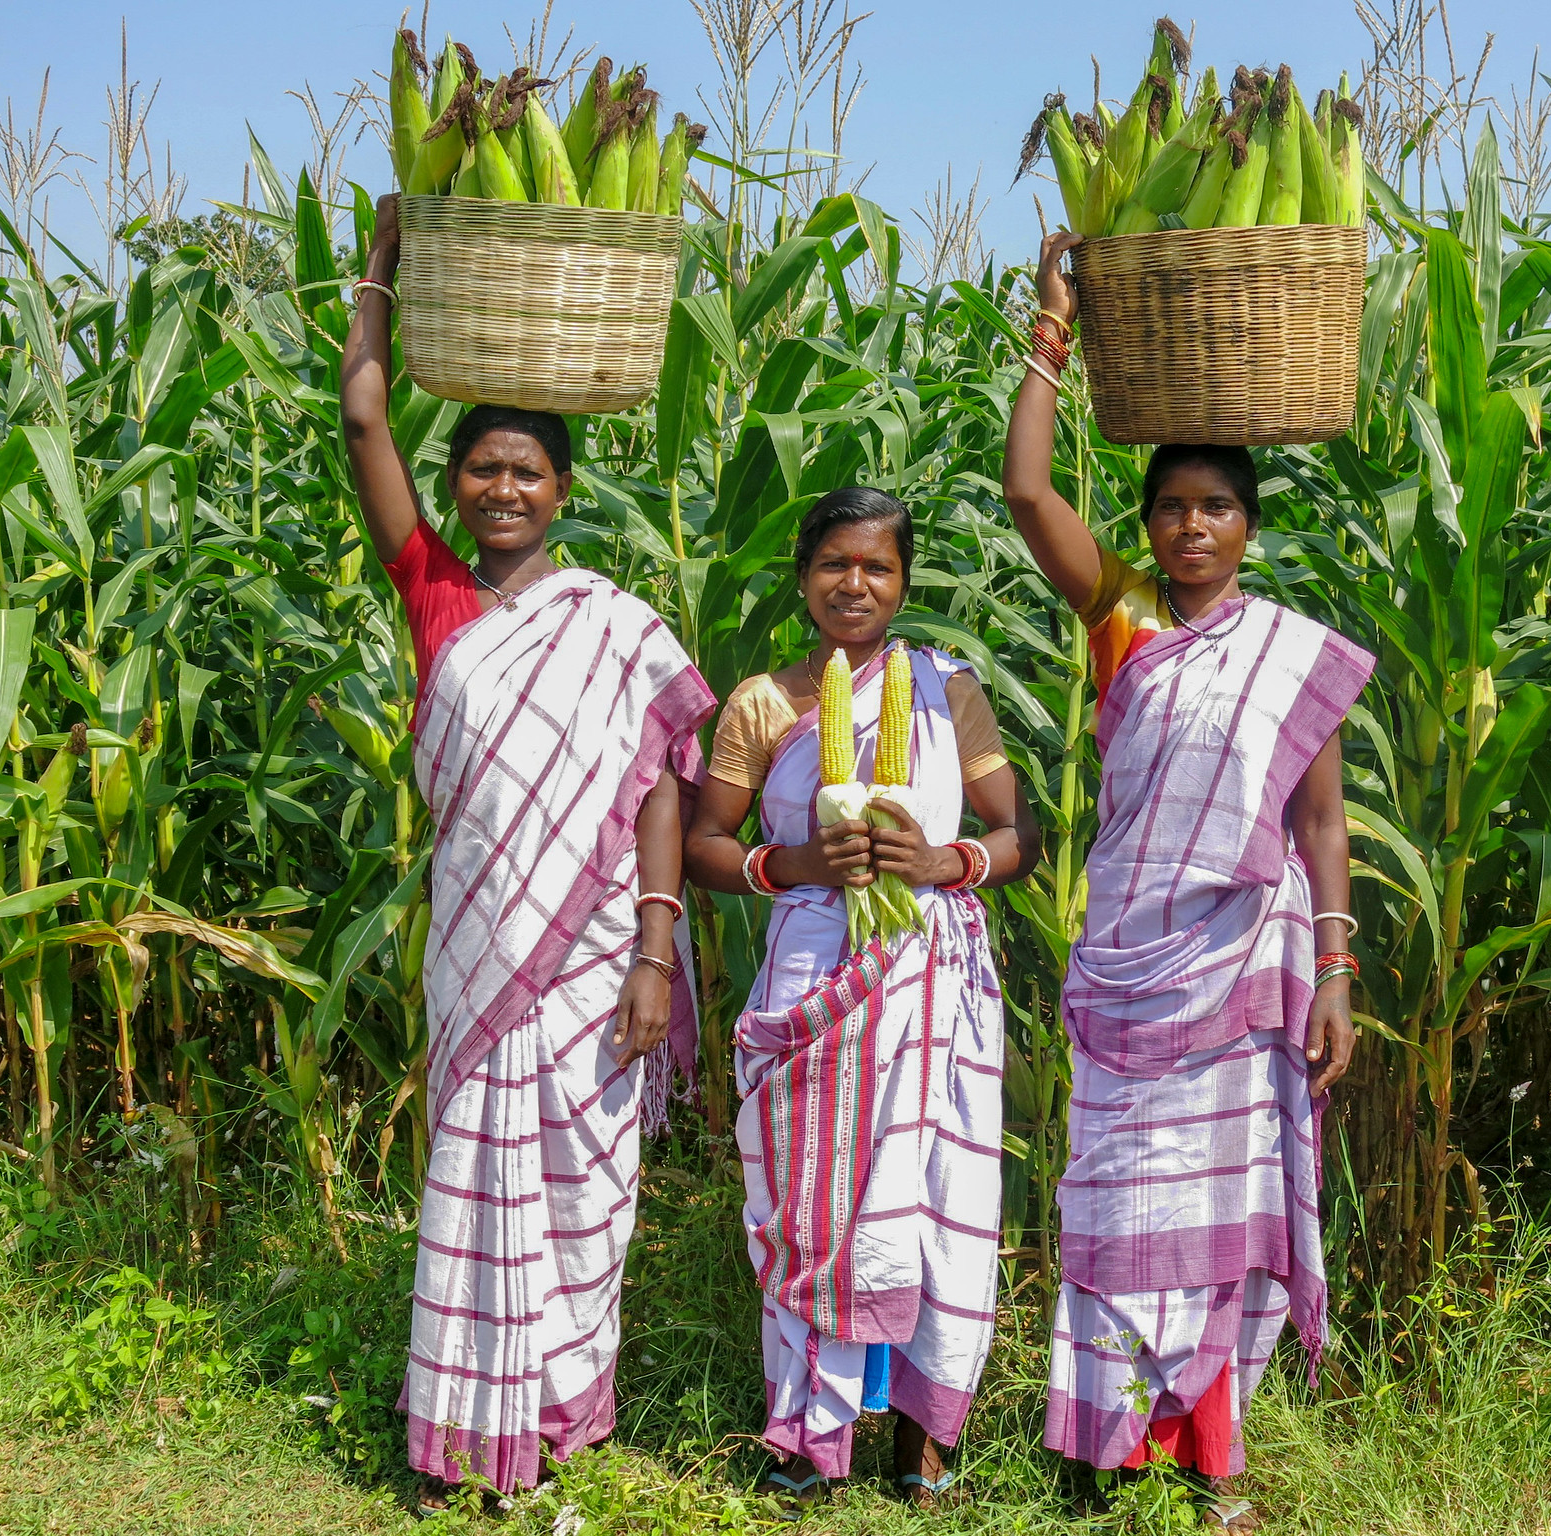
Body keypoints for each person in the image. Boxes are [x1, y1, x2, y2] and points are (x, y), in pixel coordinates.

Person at [341, 194, 715, 1507]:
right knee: (477, 1177)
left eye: (528, 472)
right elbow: (363, 422)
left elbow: (665, 787)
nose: (503, 488)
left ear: (565, 489)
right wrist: (380, 273)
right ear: (456, 489)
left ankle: (556, 1418)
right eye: (482, 470)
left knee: (580, 1185)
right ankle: (458, 1432)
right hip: (480, 947)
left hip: (602, 955)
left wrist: (658, 952)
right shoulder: (439, 598)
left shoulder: (615, 625)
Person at [1002, 233, 1373, 1530]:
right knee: (1114, 1208)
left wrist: (1335, 968)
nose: (1192, 526)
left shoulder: (1288, 653)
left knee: (1218, 1216)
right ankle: (1111, 1454)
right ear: (1147, 523)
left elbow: (1321, 822)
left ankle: (1214, 1466)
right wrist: (1050, 342)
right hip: (1129, 970)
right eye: (1171, 508)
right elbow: (1027, 492)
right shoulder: (1126, 623)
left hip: (1243, 976)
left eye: (1216, 508)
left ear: (1249, 527)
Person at [684, 488, 1039, 1510]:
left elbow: (1018, 837)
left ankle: (923, 1440)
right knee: (811, 1207)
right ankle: (808, 1440)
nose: (854, 584)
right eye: (835, 563)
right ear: (801, 576)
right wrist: (789, 861)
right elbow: (708, 844)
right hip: (813, 981)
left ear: (901, 582)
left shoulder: (941, 692)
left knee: (935, 1202)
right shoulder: (762, 701)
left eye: (876, 568)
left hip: (930, 977)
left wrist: (941, 858)